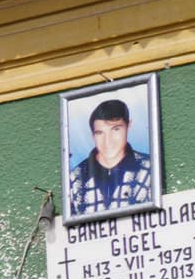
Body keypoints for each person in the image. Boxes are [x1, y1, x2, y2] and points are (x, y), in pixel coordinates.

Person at [67, 90, 156, 218]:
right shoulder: (75, 177)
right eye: (100, 133)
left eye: (116, 129)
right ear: (93, 135)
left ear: (129, 126)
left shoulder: (150, 168)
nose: (108, 141)